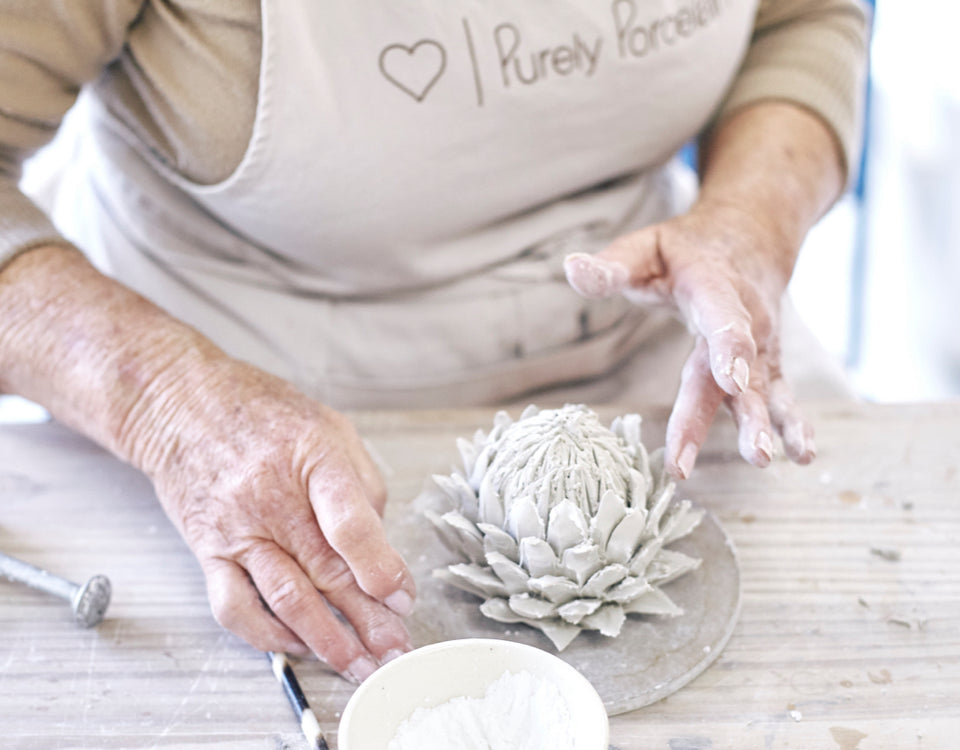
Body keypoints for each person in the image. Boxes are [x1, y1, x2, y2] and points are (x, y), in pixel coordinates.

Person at [0, 1, 870, 683]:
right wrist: (168, 406)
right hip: (255, 419)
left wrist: (750, 223)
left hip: (670, 333)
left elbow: (803, 20)